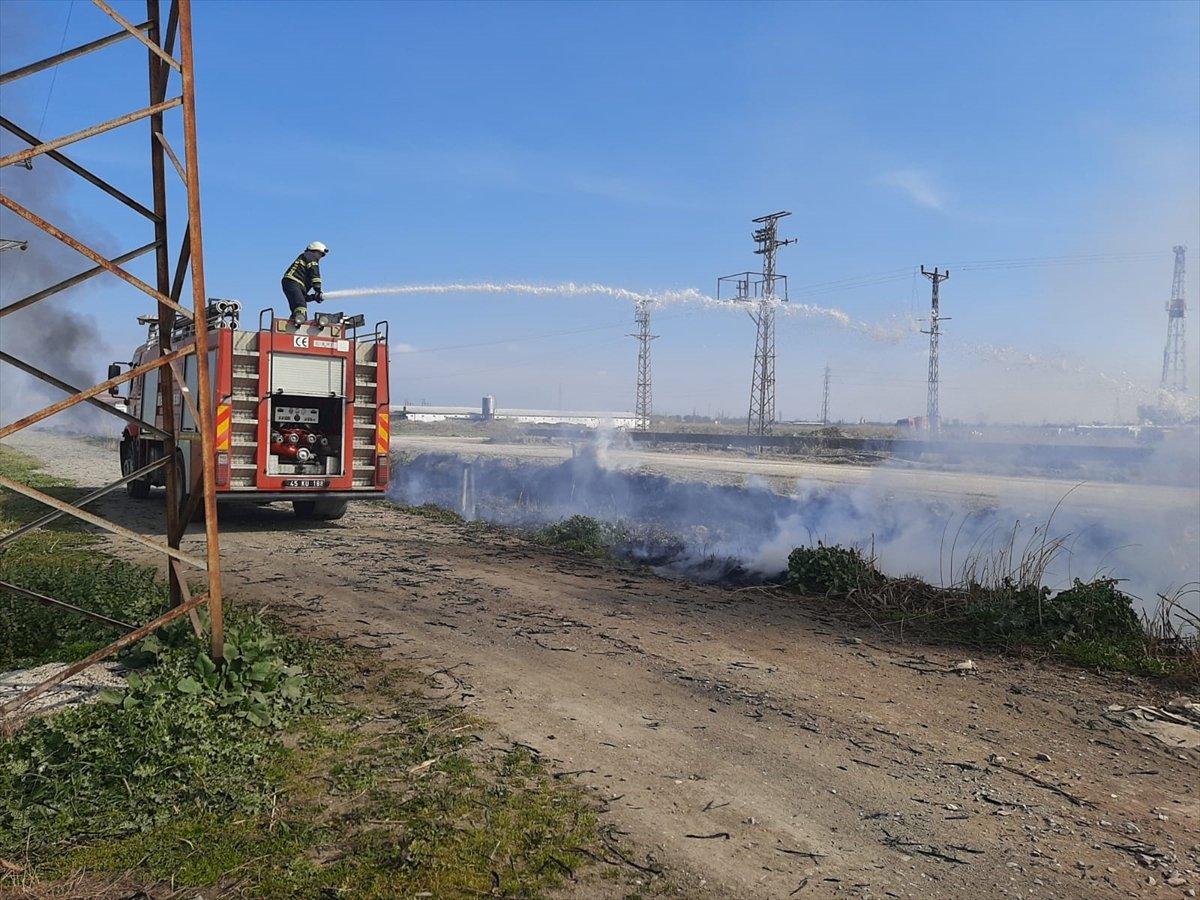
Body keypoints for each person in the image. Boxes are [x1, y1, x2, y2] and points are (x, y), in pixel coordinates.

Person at [282, 241, 328, 326]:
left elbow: (303, 297)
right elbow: (315, 272)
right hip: (292, 281)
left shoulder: (305, 276)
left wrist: (314, 297)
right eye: (320, 254)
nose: (320, 257)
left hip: (291, 283)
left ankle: (293, 323)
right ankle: (299, 322)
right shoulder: (309, 255)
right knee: (301, 306)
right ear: (314, 250)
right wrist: (317, 288)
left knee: (299, 304)